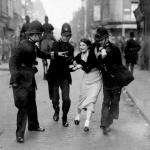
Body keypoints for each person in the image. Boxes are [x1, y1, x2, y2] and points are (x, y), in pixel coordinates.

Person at [9, 20, 64, 143]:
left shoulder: (33, 45)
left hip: (30, 79)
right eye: (40, 35)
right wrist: (14, 78)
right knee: (23, 107)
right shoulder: (22, 45)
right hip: (21, 81)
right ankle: (19, 134)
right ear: (34, 34)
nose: (41, 37)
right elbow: (12, 62)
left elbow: (43, 54)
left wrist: (56, 54)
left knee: (32, 104)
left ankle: (33, 126)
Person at [95, 27, 123, 135]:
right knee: (106, 102)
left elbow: (119, 65)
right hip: (108, 81)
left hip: (115, 81)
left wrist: (104, 57)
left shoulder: (115, 49)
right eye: (99, 40)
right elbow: (98, 65)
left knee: (114, 103)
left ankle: (108, 122)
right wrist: (99, 58)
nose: (100, 42)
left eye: (101, 40)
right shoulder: (99, 50)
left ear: (106, 38)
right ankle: (104, 124)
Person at [46, 23, 74, 127]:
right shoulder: (55, 44)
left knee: (66, 99)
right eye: (64, 35)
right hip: (54, 75)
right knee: (54, 100)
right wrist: (59, 55)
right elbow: (54, 54)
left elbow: (71, 62)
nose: (66, 37)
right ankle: (56, 111)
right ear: (61, 35)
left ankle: (64, 117)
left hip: (65, 76)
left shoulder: (71, 48)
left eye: (68, 36)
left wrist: (74, 65)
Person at [73, 38, 102, 132]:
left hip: (96, 79)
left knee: (91, 100)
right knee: (82, 98)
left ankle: (87, 123)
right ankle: (77, 115)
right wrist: (74, 63)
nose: (81, 47)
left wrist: (80, 64)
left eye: (83, 45)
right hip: (86, 80)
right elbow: (73, 61)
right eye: (80, 45)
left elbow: (87, 68)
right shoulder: (79, 56)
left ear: (88, 46)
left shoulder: (92, 54)